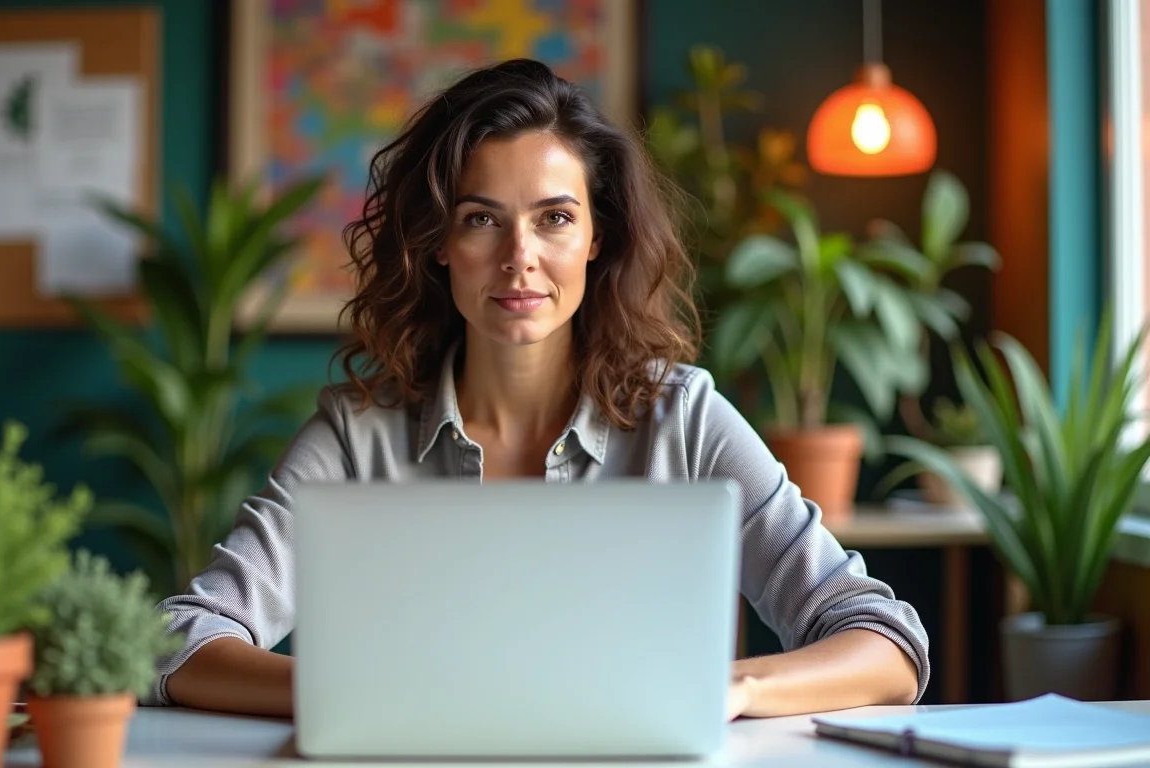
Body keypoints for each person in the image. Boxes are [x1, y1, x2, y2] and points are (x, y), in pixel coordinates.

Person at [147, 59, 929, 720]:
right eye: (482, 219)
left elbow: (887, 642)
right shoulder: (361, 435)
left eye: (554, 218)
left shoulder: (683, 419)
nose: (520, 256)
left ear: (598, 238)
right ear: (439, 243)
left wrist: (727, 687)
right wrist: (359, 698)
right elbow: (183, 636)